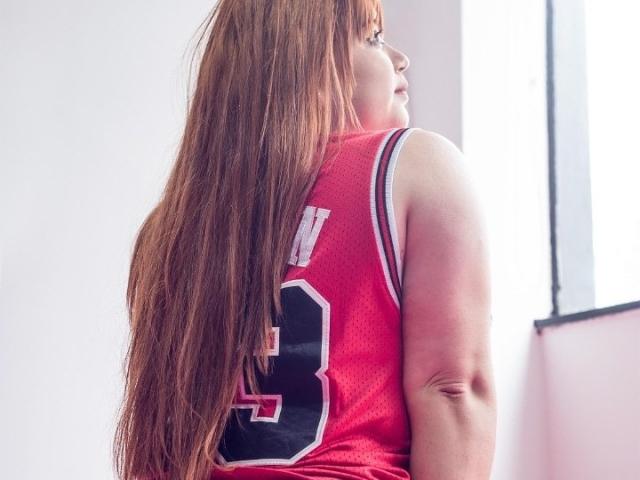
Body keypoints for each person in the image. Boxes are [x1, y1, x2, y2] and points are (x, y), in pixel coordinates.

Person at [112, 1, 497, 479]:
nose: (401, 59)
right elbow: (453, 386)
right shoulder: (414, 166)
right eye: (373, 38)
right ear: (306, 62)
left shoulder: (168, 230)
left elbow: (161, 447)